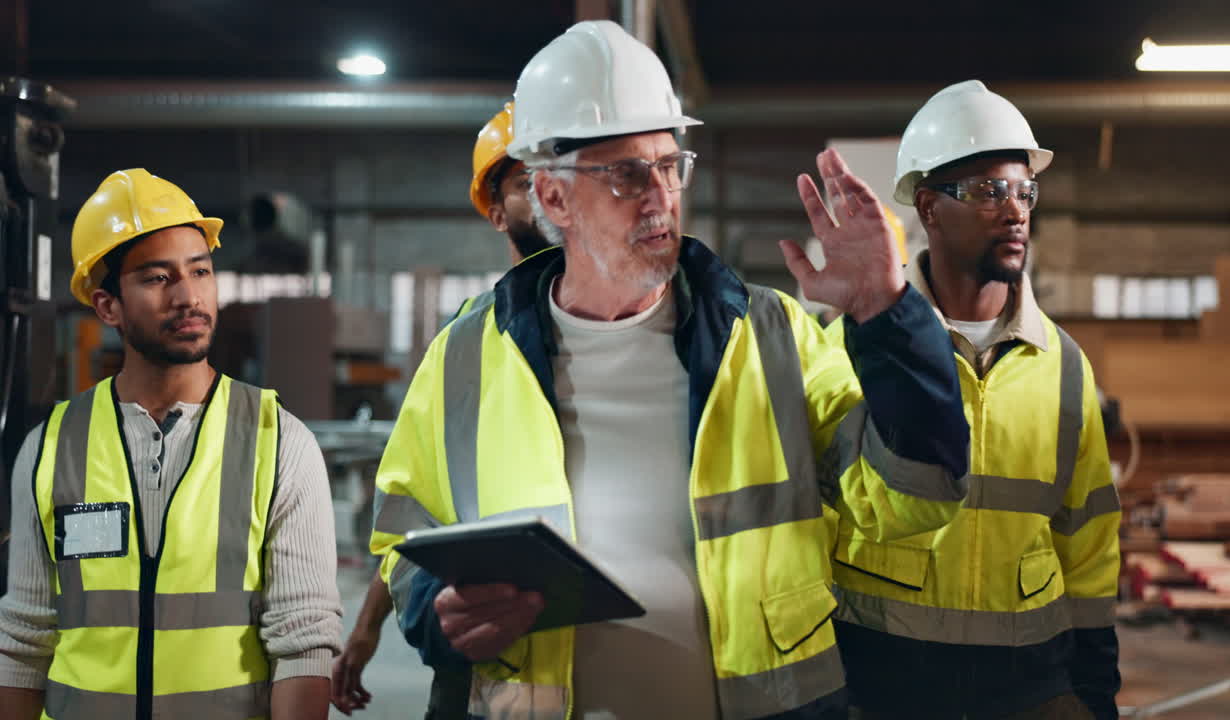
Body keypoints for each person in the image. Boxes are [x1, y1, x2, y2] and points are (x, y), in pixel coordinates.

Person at [371, 21, 972, 719]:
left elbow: (920, 498)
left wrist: (888, 315)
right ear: (554, 198)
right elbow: (403, 533)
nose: (660, 196)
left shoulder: (770, 336)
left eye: (668, 165)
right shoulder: (468, 354)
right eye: (627, 174)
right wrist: (434, 608)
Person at [0, 169, 343, 720]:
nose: (188, 296)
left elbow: (303, 641)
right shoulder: (50, 449)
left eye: (200, 271)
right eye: (158, 278)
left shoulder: (278, 442)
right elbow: (24, 639)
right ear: (108, 306)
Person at [828, 81, 1121, 719]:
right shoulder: (853, 351)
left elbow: (1089, 541)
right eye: (989, 191)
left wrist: (1094, 688)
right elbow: (815, 522)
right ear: (929, 208)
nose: (1015, 211)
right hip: (884, 683)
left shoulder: (1064, 366)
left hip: (1027, 686)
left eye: (1024, 191)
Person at [329, 102, 552, 715]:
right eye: (526, 181)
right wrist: (367, 628)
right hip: (478, 659)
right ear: (495, 210)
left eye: (559, 174)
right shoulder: (463, 346)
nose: (549, 193)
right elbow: (410, 514)